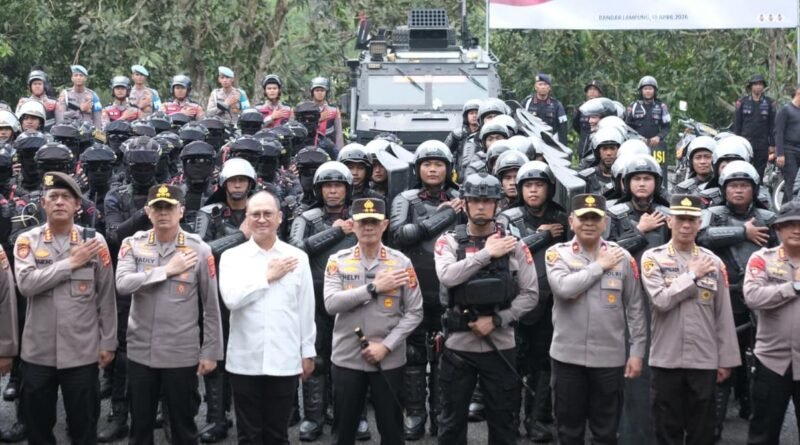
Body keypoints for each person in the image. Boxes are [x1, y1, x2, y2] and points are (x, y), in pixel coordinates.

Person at [434, 173, 539, 445]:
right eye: (475, 200)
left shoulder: (515, 245)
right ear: (465, 204)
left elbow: (530, 295)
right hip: (458, 348)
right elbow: (447, 276)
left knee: (504, 423)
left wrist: (497, 320)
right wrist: (487, 254)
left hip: (501, 346)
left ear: (497, 205)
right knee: (451, 424)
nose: (481, 206)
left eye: (487, 201)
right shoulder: (448, 241)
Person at [14, 171, 117, 444]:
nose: (59, 202)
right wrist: (70, 263)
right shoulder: (27, 241)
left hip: (81, 352)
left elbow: (106, 297)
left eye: (66, 197)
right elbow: (26, 284)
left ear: (77, 204)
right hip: (38, 353)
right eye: (53, 197)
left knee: (84, 428)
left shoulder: (94, 242)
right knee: (38, 430)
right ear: (43, 203)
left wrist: (108, 342)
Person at [115, 184, 224, 444]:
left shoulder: (199, 250)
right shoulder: (133, 244)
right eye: (157, 208)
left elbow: (210, 306)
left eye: (169, 207)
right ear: (147, 212)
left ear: (181, 211)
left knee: (183, 428)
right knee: (140, 428)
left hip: (180, 353)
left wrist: (210, 352)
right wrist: (165, 271)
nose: (163, 213)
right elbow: (122, 284)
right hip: (141, 352)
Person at [545, 193, 646, 445]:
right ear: (571, 221)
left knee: (606, 432)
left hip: (609, 359)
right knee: (569, 431)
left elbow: (635, 307)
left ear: (605, 223)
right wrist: (599, 266)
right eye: (583, 218)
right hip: (567, 358)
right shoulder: (557, 254)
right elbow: (564, 288)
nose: (589, 223)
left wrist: (637, 352)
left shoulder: (622, 257)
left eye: (595, 218)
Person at [640, 194, 740, 445]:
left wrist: (726, 360)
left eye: (691, 220)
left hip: (703, 360)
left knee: (703, 432)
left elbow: (723, 314)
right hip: (666, 359)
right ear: (669, 222)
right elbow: (661, 300)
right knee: (666, 431)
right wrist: (692, 275)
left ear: (699, 223)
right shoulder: (653, 258)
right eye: (680, 219)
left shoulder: (713, 262)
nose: (685, 225)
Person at [218, 190, 316, 443]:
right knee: (248, 435)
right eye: (255, 214)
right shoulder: (232, 257)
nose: (262, 219)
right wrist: (267, 277)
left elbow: (305, 309)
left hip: (284, 359)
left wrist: (307, 351)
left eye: (268, 214)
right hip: (244, 360)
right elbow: (231, 299)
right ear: (247, 218)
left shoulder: (297, 258)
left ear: (280, 217)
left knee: (277, 434)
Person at [325, 197, 423, 445]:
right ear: (352, 225)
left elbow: (415, 312)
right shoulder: (338, 260)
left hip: (389, 360)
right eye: (362, 222)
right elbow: (331, 304)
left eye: (374, 221)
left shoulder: (401, 263)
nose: (368, 226)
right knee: (343, 432)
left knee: (392, 431)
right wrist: (372, 288)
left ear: (385, 225)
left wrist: (386, 346)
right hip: (347, 358)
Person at [696, 160, 777, 439]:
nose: (739, 190)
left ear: (754, 189)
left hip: (762, 300)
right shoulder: (713, 214)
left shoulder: (768, 217)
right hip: (725, 299)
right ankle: (714, 428)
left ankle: (752, 412)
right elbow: (701, 236)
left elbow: (782, 249)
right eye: (733, 185)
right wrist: (743, 232)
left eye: (744, 185)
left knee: (761, 363)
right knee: (722, 360)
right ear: (724, 189)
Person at [389, 140, 461, 439]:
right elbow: (400, 236)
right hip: (413, 285)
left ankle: (441, 414)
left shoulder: (461, 198)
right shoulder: (405, 199)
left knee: (447, 354)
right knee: (414, 354)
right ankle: (415, 413)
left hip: (450, 287)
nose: (433, 169)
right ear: (417, 169)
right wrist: (443, 216)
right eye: (427, 164)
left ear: (448, 168)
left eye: (439, 164)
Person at [496, 160, 567, 441]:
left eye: (539, 185)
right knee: (511, 365)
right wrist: (542, 236)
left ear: (549, 188)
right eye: (528, 185)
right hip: (514, 301)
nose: (533, 190)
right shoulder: (507, 217)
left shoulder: (562, 217)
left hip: (551, 303)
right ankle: (509, 420)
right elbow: (505, 250)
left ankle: (536, 419)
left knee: (543, 365)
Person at [289, 161, 358, 441]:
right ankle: (313, 417)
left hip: (351, 298)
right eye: (327, 186)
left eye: (338, 186)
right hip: (314, 299)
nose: (332, 191)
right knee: (316, 358)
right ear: (318, 189)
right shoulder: (306, 218)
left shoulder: (360, 216)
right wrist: (336, 232)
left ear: (347, 189)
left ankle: (351, 416)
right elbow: (295, 250)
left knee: (351, 359)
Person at [743, 200, 800, 444]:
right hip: (771, 360)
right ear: (778, 229)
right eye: (789, 224)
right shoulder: (762, 259)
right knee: (763, 433)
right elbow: (753, 296)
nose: (796, 230)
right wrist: (793, 287)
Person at [626, 76, 671, 177]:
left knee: (659, 170)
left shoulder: (662, 106)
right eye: (645, 88)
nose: (648, 91)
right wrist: (638, 138)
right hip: (637, 145)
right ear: (641, 91)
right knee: (636, 169)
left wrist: (659, 137)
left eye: (650, 88)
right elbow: (627, 127)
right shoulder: (633, 106)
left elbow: (667, 126)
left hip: (656, 146)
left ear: (654, 90)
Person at [733, 74, 776, 179]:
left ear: (763, 86)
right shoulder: (742, 102)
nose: (758, 86)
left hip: (762, 143)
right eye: (755, 84)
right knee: (743, 169)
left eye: (760, 84)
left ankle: (758, 187)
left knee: (759, 172)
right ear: (751, 86)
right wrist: (737, 141)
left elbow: (772, 125)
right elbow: (737, 123)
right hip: (745, 142)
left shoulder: (770, 103)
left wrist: (772, 144)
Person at [523, 73, 567, 143]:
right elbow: (521, 123)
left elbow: (563, 128)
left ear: (549, 87)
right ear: (535, 87)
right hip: (531, 141)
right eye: (540, 84)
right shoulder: (527, 102)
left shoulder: (557, 105)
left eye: (545, 84)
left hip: (550, 142)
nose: (543, 87)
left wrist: (562, 145)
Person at [775, 85, 800, 204]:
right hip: (788, 150)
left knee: (796, 182)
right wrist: (780, 154)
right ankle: (793, 210)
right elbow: (778, 132)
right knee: (791, 181)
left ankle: (784, 209)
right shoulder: (786, 110)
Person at [310, 76, 344, 149]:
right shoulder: (306, 109)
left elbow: (339, 134)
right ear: (313, 92)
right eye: (317, 90)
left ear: (326, 92)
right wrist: (318, 119)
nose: (320, 93)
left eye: (322, 90)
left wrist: (339, 151)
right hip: (310, 148)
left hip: (329, 148)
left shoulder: (334, 110)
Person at [573, 80, 604, 157]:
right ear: (586, 93)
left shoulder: (604, 107)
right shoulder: (580, 107)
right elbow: (576, 125)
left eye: (595, 89)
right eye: (590, 89)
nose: (592, 91)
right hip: (584, 146)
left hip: (600, 145)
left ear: (600, 93)